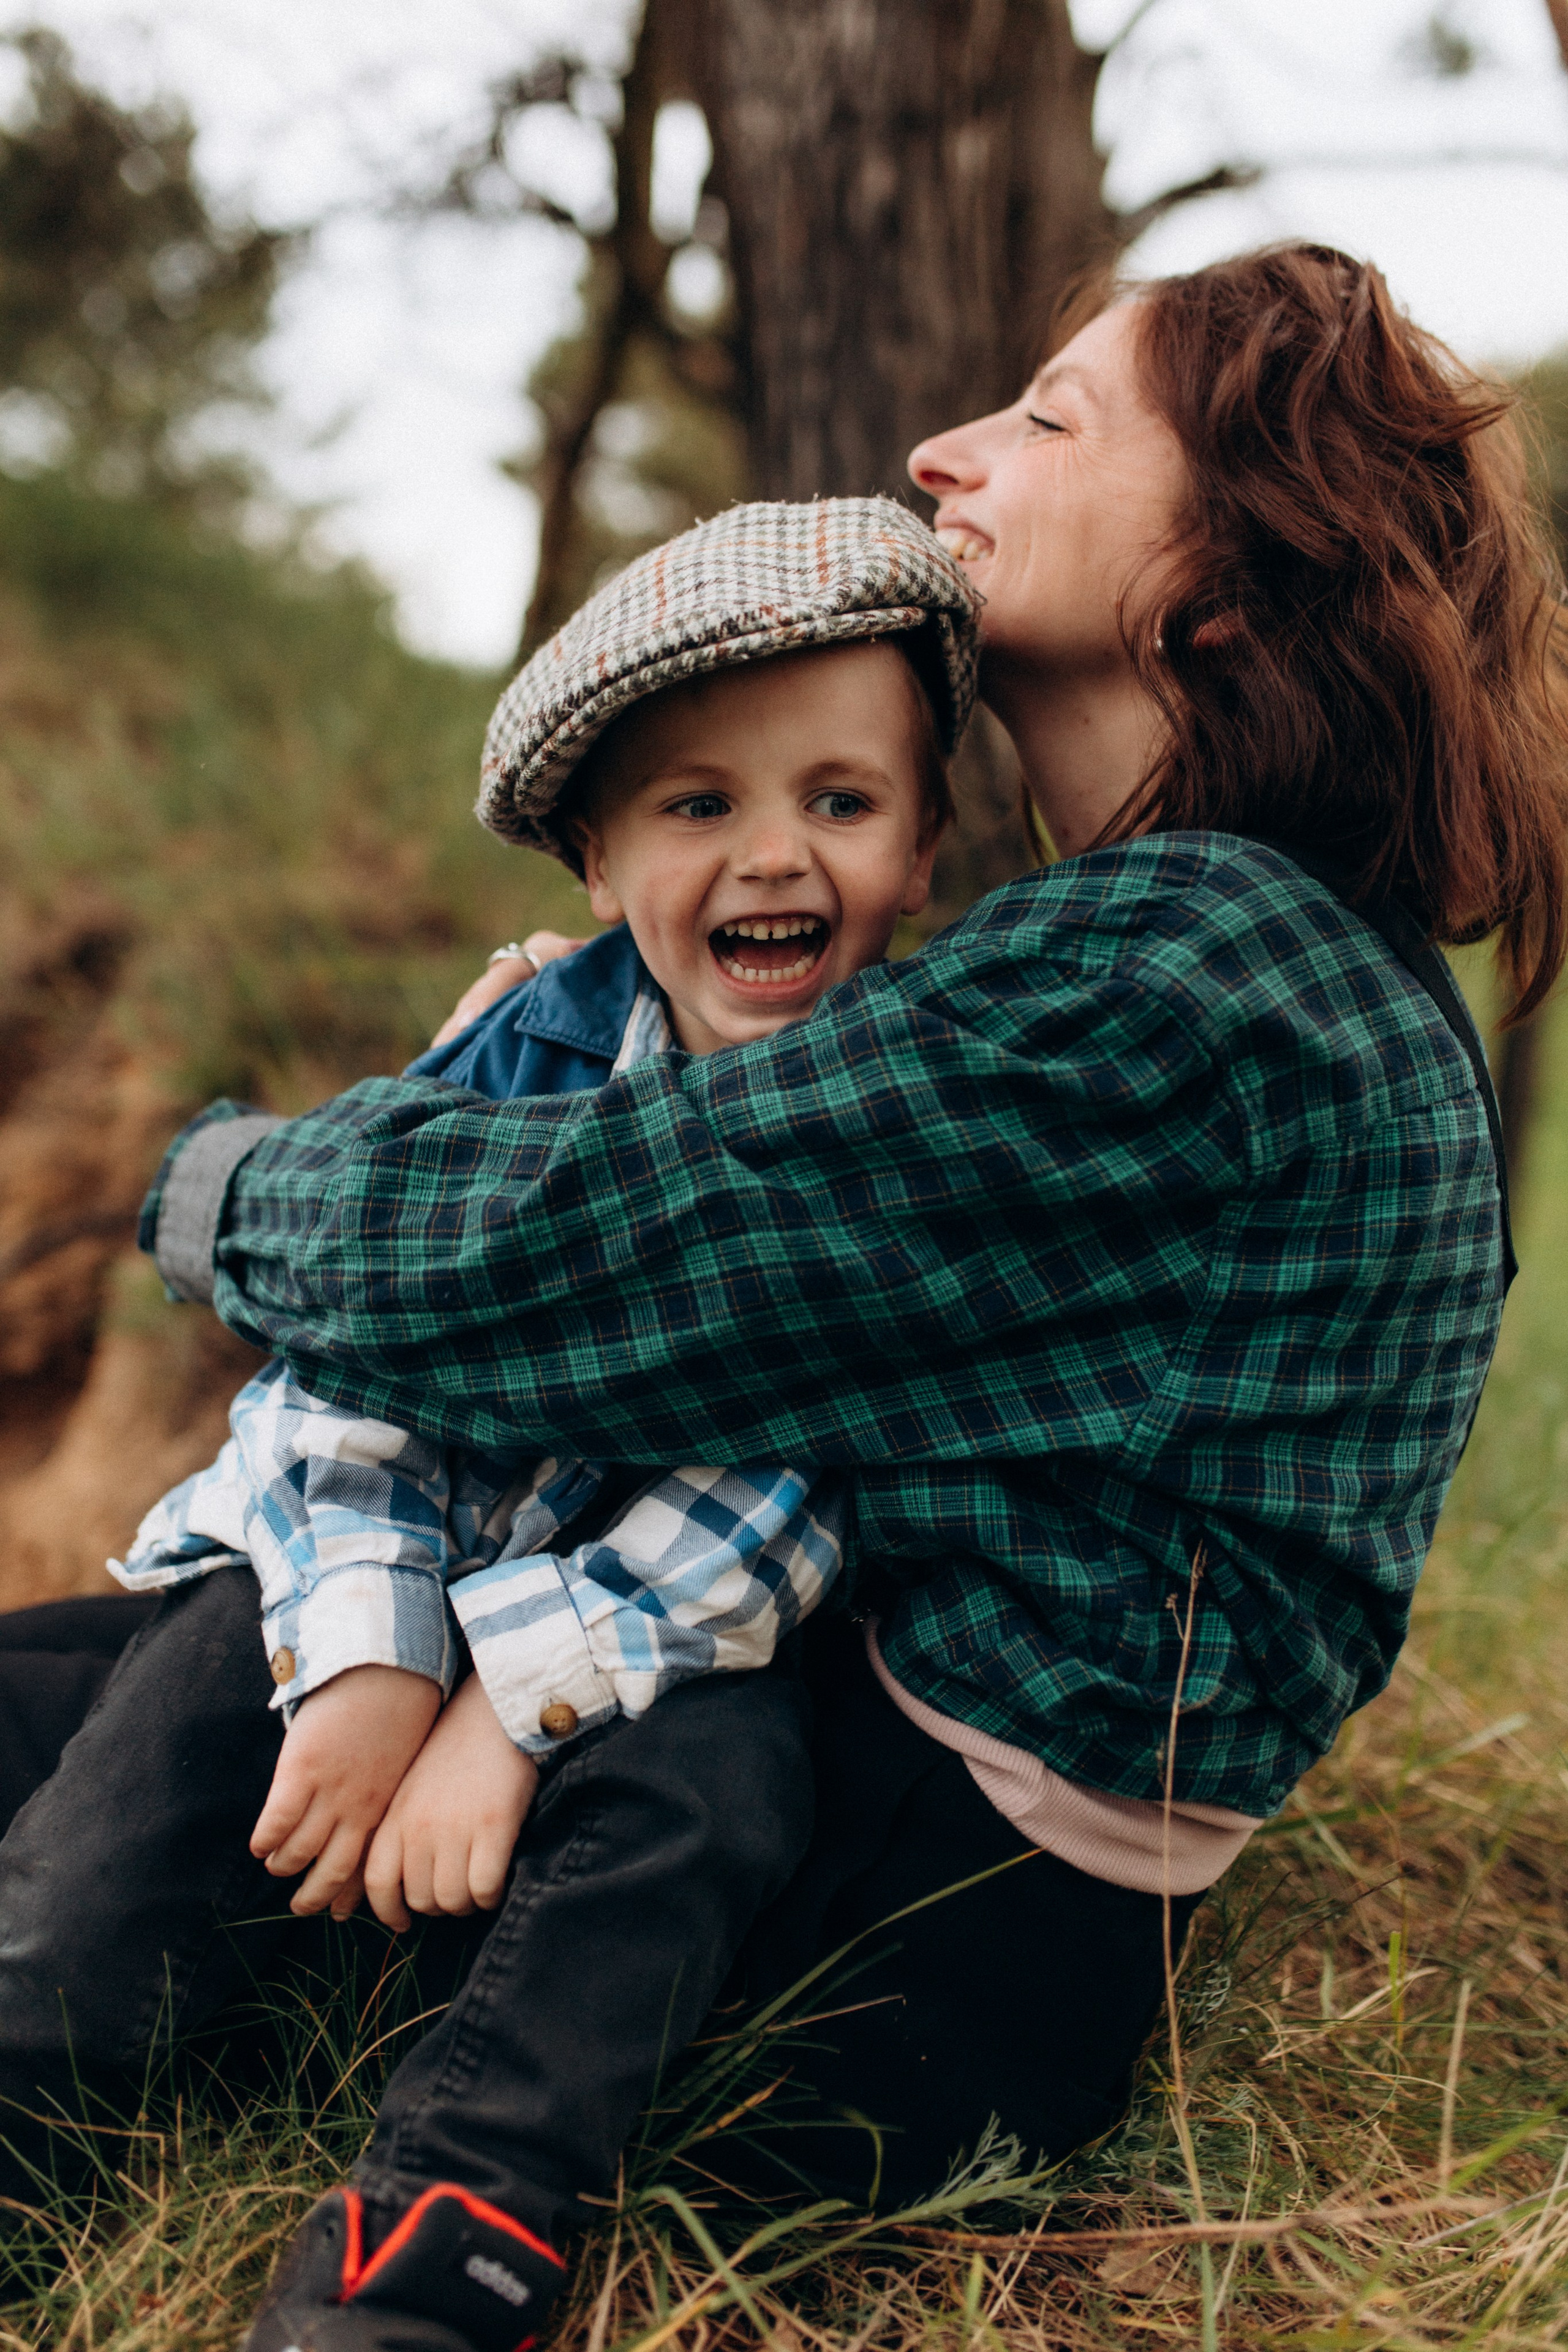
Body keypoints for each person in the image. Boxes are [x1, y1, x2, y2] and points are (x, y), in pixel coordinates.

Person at [1, 241, 1561, 2352]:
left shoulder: (1194, 970)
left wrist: (216, 1185)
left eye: (1051, 419)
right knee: (70, 1679)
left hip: (902, 1918)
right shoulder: (1238, 945)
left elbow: (565, 1262)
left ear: (1218, 573)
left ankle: (353, 2262)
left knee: (144, 1715)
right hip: (905, 1839)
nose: (947, 452)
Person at [106, 494, 967, 1935]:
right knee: (141, 1802)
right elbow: (357, 1355)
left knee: (709, 1803)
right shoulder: (529, 1048)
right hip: (373, 1542)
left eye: (840, 802)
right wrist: (378, 1653)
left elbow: (795, 1477)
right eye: (699, 806)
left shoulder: (910, 1120)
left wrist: (508, 1702)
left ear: (923, 848)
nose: (772, 855)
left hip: (651, 1626)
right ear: (598, 864)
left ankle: (459, 2079)